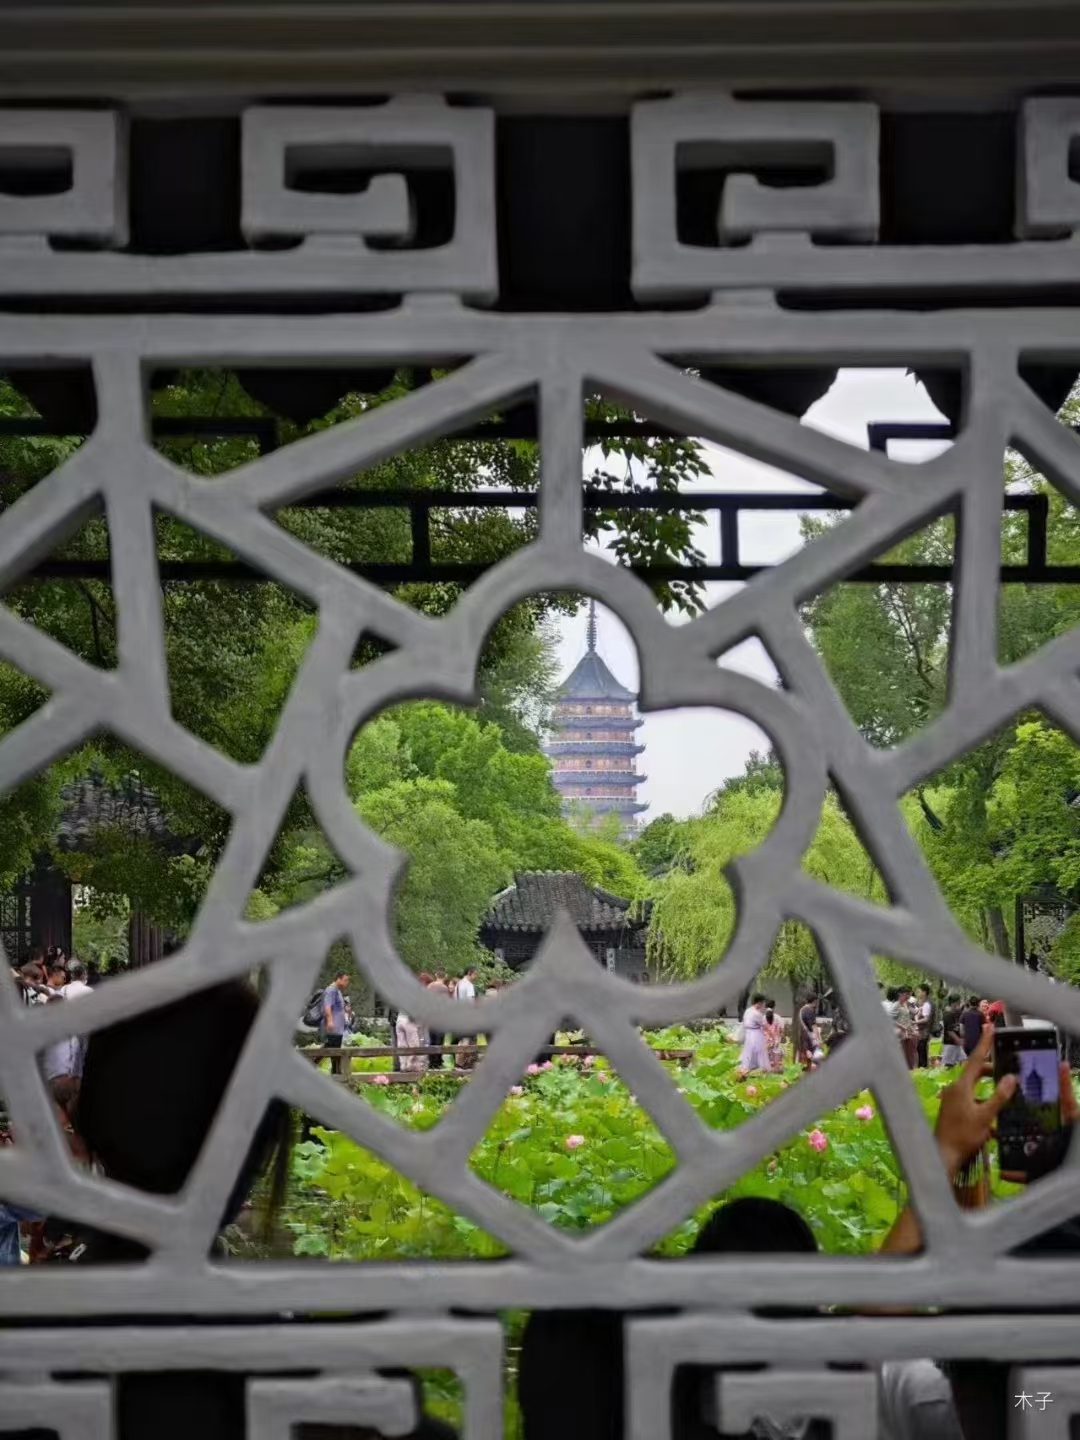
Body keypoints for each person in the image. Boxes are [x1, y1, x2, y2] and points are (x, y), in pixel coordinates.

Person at [321, 969, 350, 1076]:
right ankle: (336, 1072)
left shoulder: (337, 991)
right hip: (334, 1027)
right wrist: (330, 1021)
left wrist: (345, 1009)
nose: (346, 983)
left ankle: (336, 1071)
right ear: (338, 979)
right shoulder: (331, 990)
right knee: (332, 1050)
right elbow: (327, 1006)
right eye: (345, 980)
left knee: (333, 1049)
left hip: (339, 1028)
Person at [737, 994, 769, 1076]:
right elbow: (764, 1025)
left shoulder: (748, 1011)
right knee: (759, 1052)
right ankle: (757, 1068)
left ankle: (746, 1068)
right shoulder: (757, 1014)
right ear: (759, 1003)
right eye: (762, 1003)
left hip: (748, 1033)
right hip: (756, 1034)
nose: (763, 1005)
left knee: (749, 1051)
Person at [426, 970, 451, 1068]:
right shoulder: (444, 988)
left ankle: (431, 1062)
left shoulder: (429, 986)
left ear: (436, 975)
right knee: (439, 1040)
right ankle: (438, 1062)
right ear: (445, 976)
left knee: (432, 1040)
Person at [893, 985, 918, 1069]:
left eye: (909, 994)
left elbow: (906, 1017)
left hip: (907, 1034)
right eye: (906, 994)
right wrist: (902, 1027)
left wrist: (911, 1025)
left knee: (909, 1056)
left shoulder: (905, 1004)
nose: (908, 996)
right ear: (900, 994)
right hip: (899, 1035)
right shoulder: (896, 1005)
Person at [940, 994, 965, 1067]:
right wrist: (958, 1040)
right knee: (949, 1065)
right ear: (954, 1003)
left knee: (963, 1060)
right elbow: (950, 1031)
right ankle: (947, 1077)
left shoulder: (953, 1013)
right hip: (950, 1044)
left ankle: (958, 1076)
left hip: (954, 1043)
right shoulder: (948, 1014)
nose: (959, 1005)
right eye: (959, 1003)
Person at [794, 993, 818, 1069]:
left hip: (803, 1035)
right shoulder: (810, 1010)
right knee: (813, 1057)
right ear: (814, 1001)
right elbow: (813, 1026)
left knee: (807, 1058)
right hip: (809, 1036)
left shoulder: (802, 1009)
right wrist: (818, 1038)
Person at [915, 984, 935, 1069]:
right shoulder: (927, 1003)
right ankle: (923, 1068)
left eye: (919, 991)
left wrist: (914, 1021)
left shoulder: (927, 1004)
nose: (917, 993)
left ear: (924, 992)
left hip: (924, 1031)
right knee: (922, 1050)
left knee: (922, 1051)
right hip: (924, 1031)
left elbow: (926, 1019)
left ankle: (922, 1068)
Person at [763, 998, 784, 1072]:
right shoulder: (778, 1018)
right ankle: (776, 1071)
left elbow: (761, 1031)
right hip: (776, 1041)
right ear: (774, 1006)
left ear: (765, 1006)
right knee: (777, 1064)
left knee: (766, 1061)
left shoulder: (762, 1018)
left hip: (766, 1041)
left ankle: (767, 1073)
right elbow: (781, 1030)